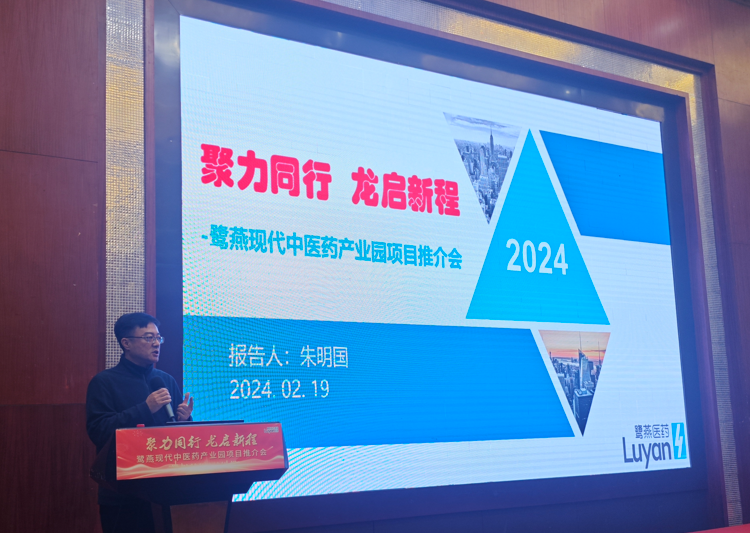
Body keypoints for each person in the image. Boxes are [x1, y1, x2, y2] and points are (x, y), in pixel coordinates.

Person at [86, 312, 194, 533]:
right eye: (148, 337)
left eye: (158, 337)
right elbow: (99, 431)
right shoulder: (104, 382)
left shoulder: (165, 380)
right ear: (126, 343)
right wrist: (145, 408)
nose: (156, 343)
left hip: (167, 489)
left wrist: (185, 420)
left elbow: (179, 438)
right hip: (123, 494)